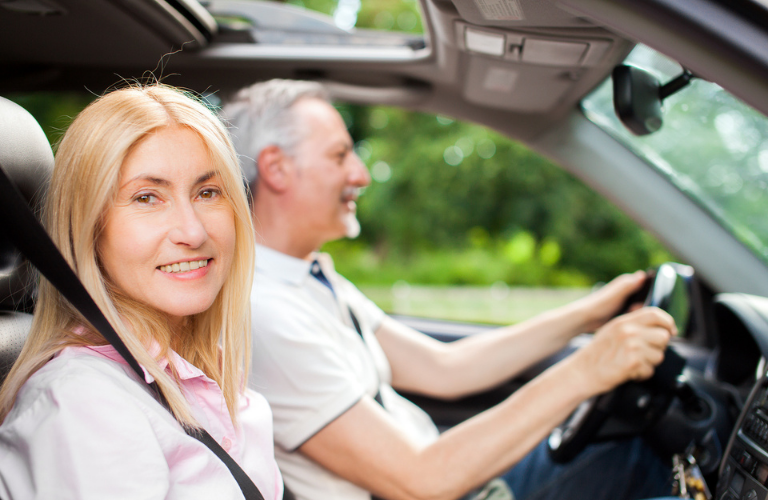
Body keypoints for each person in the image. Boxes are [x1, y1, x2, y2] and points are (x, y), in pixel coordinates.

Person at [221, 79, 677, 500]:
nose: (361, 174)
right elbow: (422, 480)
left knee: (633, 449)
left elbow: (446, 368)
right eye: (340, 156)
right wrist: (591, 367)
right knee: (641, 458)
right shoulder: (265, 314)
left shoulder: (308, 277)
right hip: (445, 487)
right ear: (277, 169)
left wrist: (590, 314)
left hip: (462, 483)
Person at [0, 84, 283, 499]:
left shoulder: (215, 380)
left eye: (208, 192)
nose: (193, 231)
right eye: (147, 198)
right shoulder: (84, 404)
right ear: (89, 228)